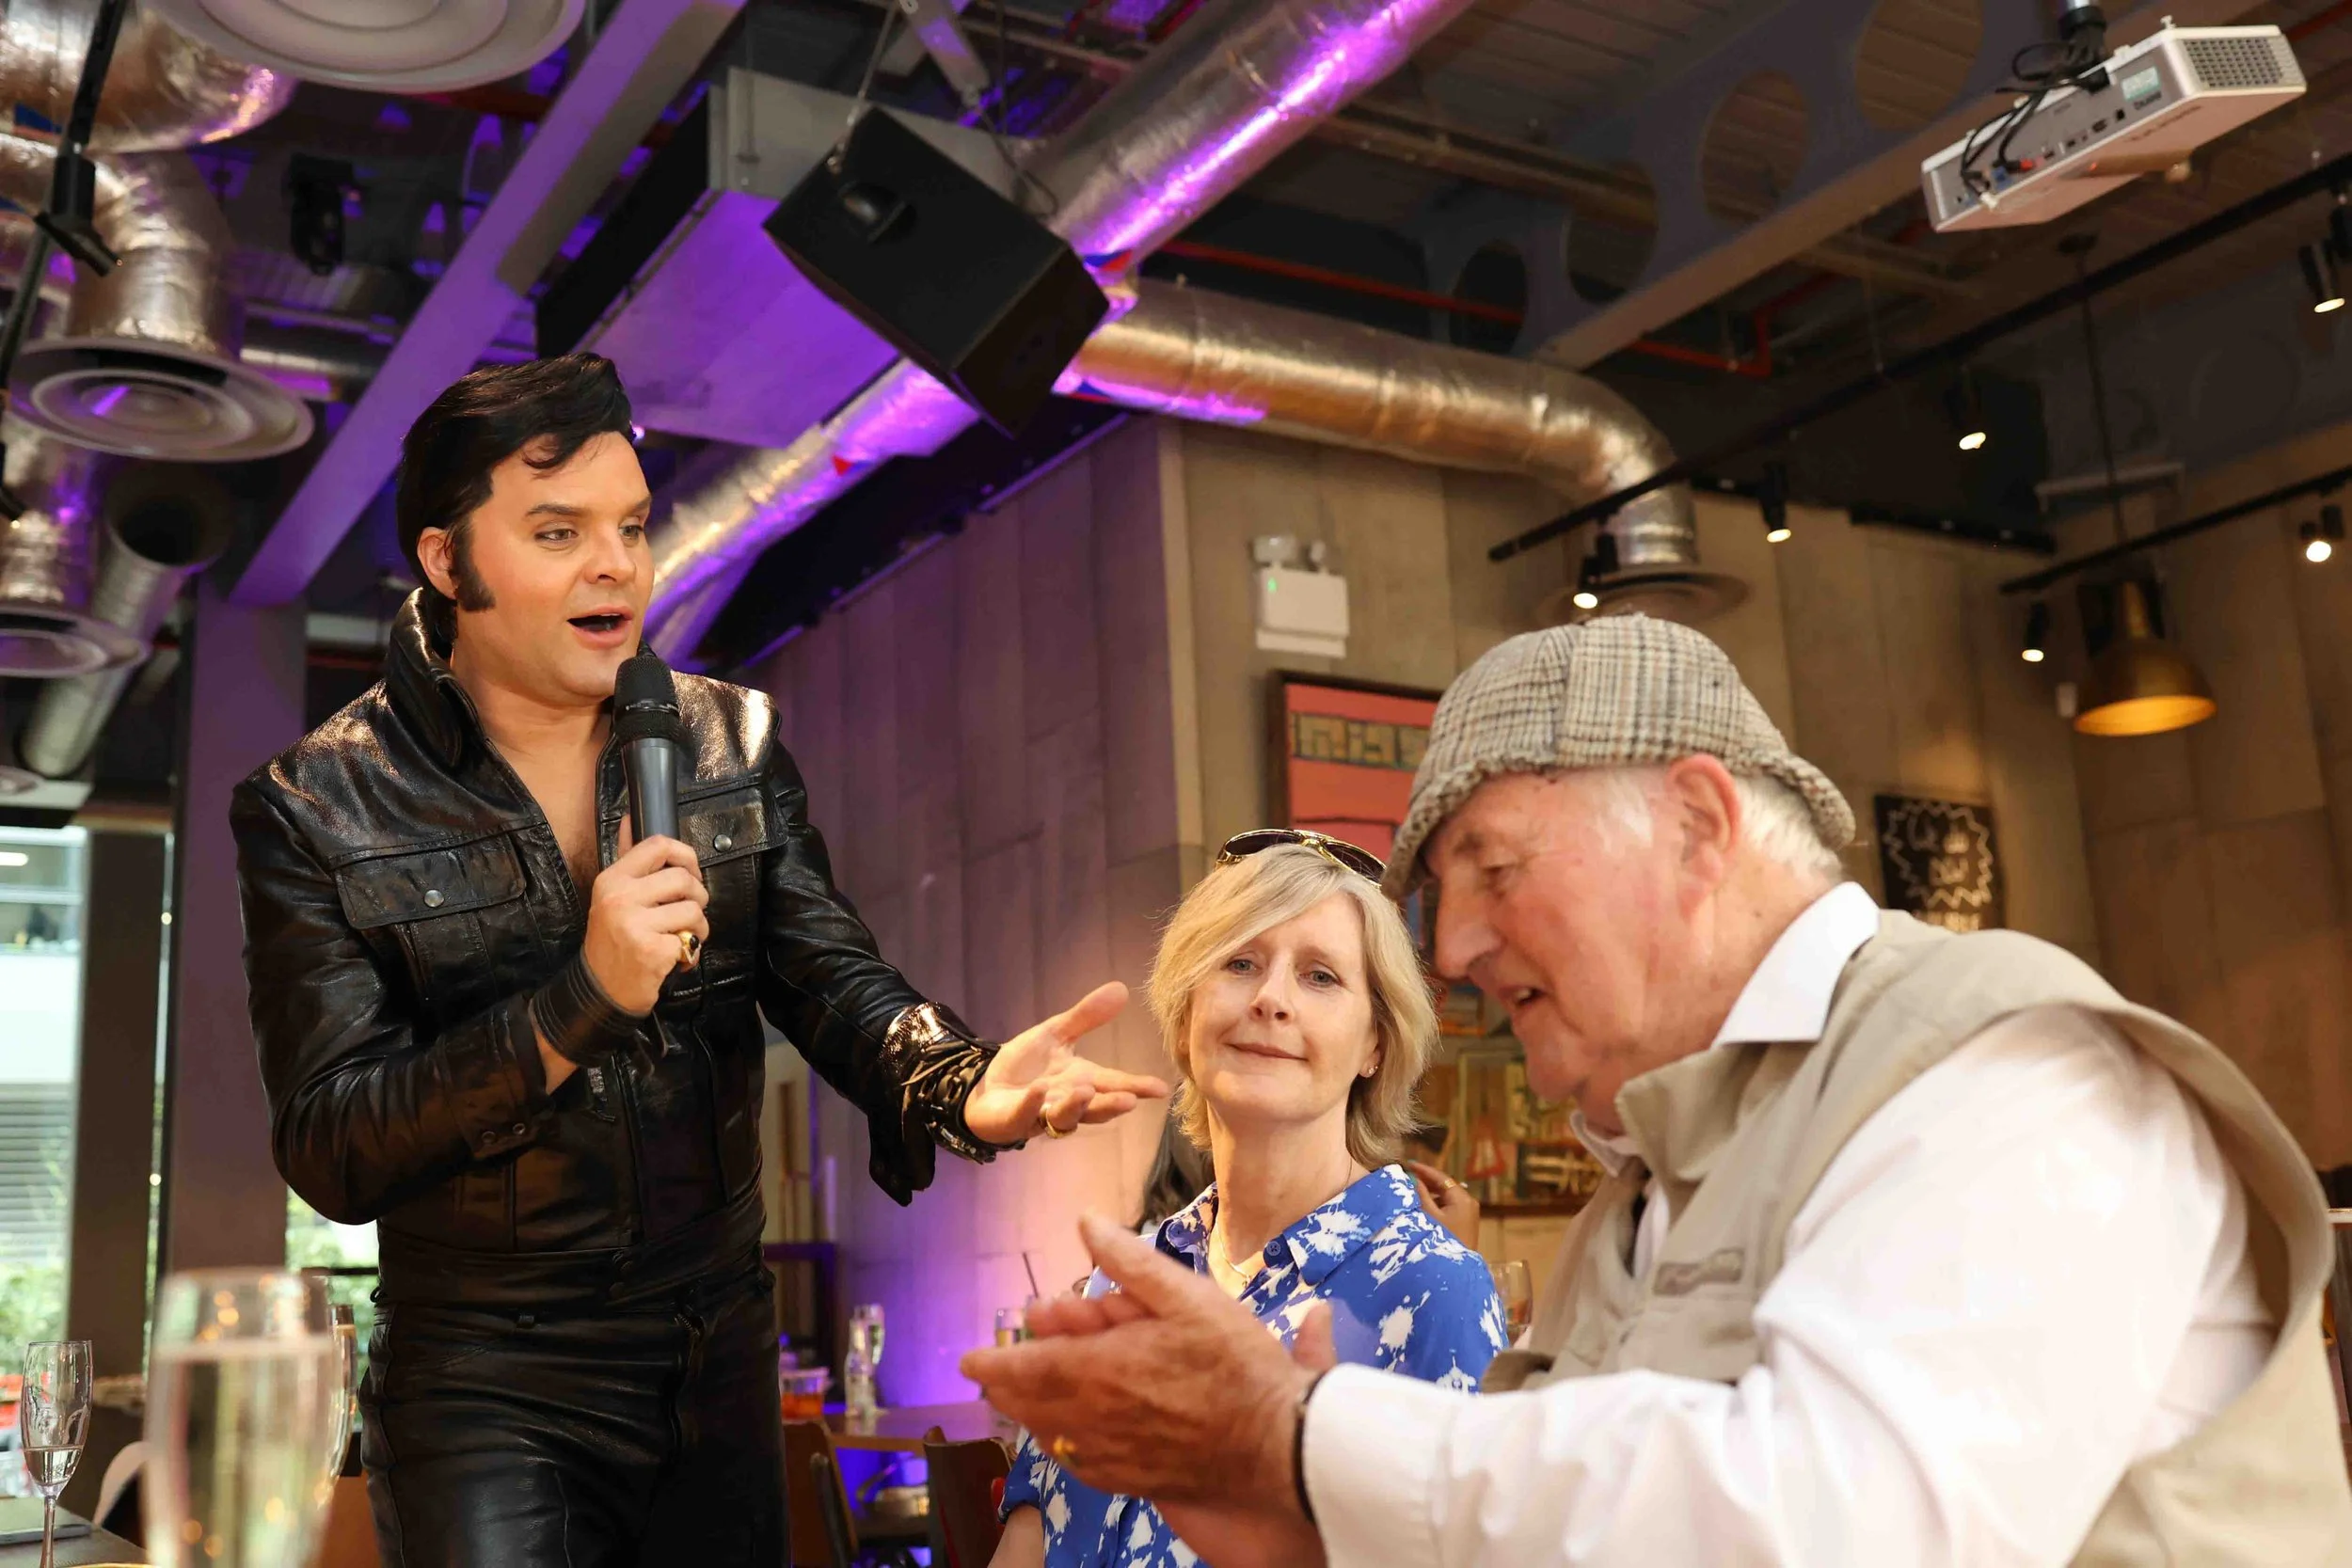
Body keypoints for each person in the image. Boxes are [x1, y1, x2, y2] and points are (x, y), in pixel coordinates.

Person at [964, 614, 2352, 1567]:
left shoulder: (2012, 1070)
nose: (1450, 950)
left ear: (1699, 823)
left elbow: (1831, 1524)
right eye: (1441, 898)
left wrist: (1305, 1438)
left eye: (1493, 869)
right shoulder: (1647, 1191)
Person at [233, 355, 1165, 1568]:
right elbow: (333, 1142)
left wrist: (956, 1081)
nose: (614, 563)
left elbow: (832, 974)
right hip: (485, 1379)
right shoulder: (318, 802)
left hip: (715, 1348)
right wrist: (577, 1005)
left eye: (628, 526)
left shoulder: (731, 735)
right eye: (557, 530)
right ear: (446, 561)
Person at [990, 831, 1506, 1568]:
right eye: (1240, 963)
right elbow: (1030, 1543)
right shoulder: (1128, 1278)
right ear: (1186, 1014)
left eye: (1321, 976)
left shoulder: (1434, 1290)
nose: (1271, 999)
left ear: (1375, 1046)